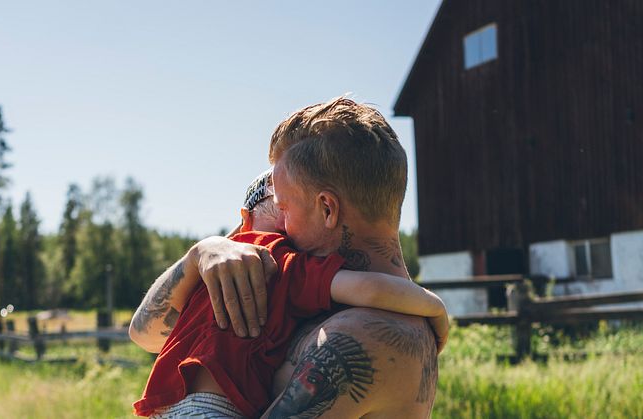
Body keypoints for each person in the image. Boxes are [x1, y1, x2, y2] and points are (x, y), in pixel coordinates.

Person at [130, 97, 446, 418]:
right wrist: (198, 256)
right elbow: (147, 334)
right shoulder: (306, 291)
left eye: (284, 208)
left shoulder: (367, 335)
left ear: (327, 209)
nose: (282, 226)